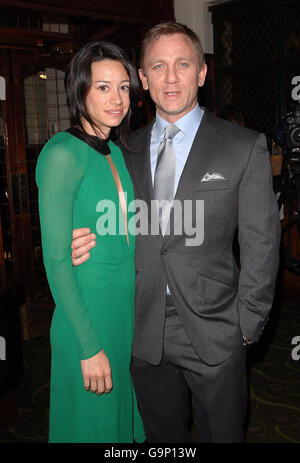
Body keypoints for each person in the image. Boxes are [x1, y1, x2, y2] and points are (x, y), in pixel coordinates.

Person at [71, 23, 281, 443]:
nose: (171, 78)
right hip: (139, 326)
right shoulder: (120, 151)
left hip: (217, 328)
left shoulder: (243, 145)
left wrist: (246, 325)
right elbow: (104, 221)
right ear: (142, 79)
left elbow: (262, 245)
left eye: (182, 64)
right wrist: (81, 241)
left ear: (202, 72)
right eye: (158, 67)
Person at [36, 41, 145, 443]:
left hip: (119, 314)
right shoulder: (62, 154)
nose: (117, 99)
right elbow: (56, 259)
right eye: (102, 87)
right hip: (86, 319)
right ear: (79, 91)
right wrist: (88, 346)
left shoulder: (115, 150)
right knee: (91, 429)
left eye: (122, 87)